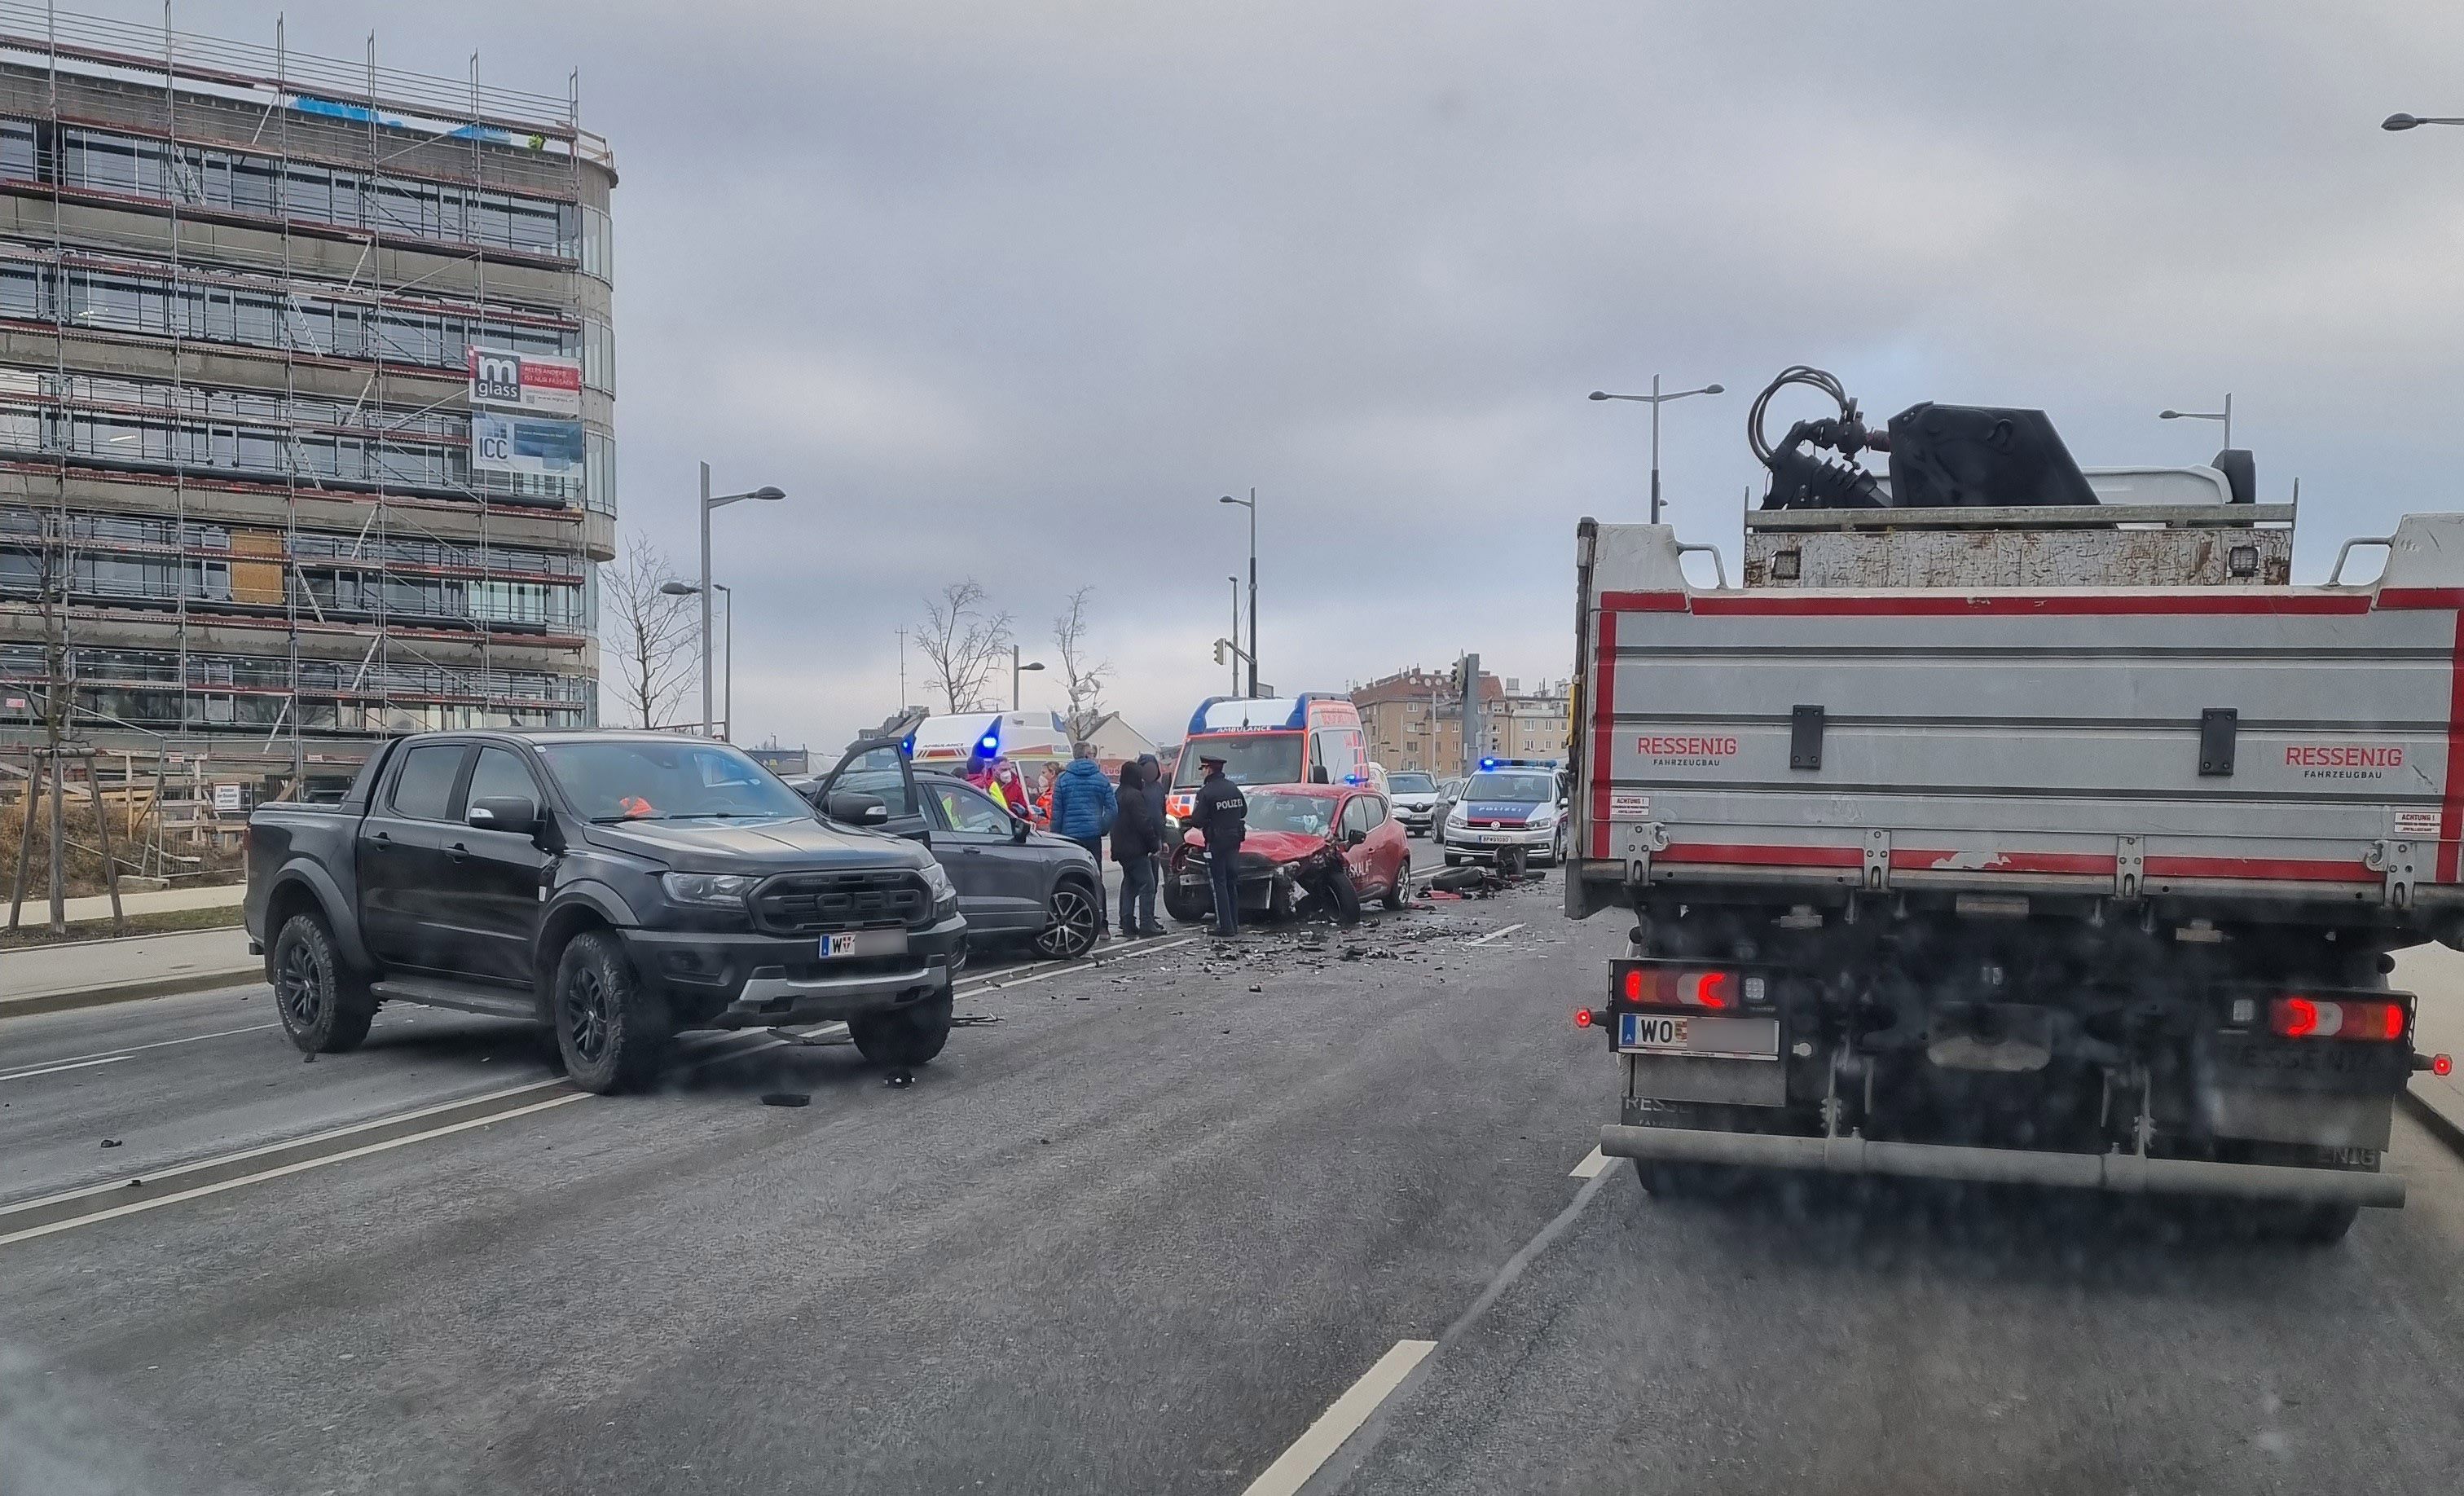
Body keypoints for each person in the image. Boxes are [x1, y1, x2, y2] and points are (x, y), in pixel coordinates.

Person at [1049, 741, 1119, 936]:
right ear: (1088, 756)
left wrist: (1056, 837)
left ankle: (1075, 922)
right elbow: (1113, 809)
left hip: (1069, 838)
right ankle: (1102, 924)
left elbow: (1057, 813)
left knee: (1069, 879)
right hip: (1092, 836)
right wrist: (1102, 827)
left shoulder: (1063, 780)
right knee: (1096, 879)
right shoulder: (1101, 779)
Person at [1189, 751, 1247, 937]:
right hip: (1235, 840)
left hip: (1216, 843)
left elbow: (1197, 820)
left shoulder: (1206, 792)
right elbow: (1243, 811)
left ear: (1208, 769)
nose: (1201, 773)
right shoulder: (1233, 788)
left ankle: (1225, 926)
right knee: (1231, 882)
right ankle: (1234, 924)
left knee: (1219, 883)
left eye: (1202, 769)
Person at [1111, 759, 1166, 936]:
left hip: (1121, 848)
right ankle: (1146, 923)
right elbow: (1143, 822)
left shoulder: (1118, 793)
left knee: (1129, 883)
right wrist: (1153, 844)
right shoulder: (1135, 796)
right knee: (1147, 885)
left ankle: (1127, 922)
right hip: (1135, 848)